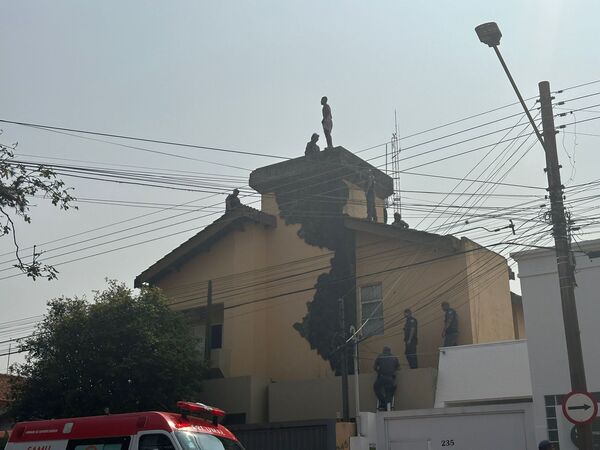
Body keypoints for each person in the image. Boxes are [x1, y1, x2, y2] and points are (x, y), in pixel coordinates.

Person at [373, 346, 399, 410]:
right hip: (390, 378)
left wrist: (379, 372)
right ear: (390, 351)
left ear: (383, 350)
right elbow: (398, 367)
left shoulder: (380, 356)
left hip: (382, 377)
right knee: (389, 392)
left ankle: (383, 402)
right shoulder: (394, 357)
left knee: (376, 387)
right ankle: (387, 404)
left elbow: (374, 367)